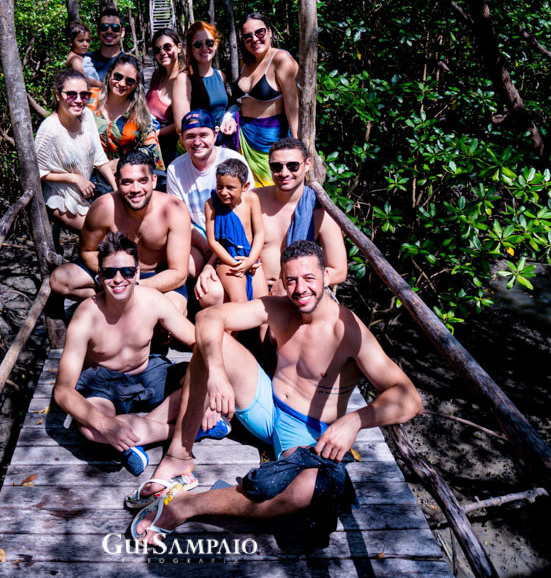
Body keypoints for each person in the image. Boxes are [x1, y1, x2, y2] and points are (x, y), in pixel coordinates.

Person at [130, 240, 422, 547]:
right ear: (282, 280)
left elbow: (409, 398)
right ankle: (178, 458)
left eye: (309, 278)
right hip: (267, 406)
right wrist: (217, 373)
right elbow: (208, 318)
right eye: (291, 280)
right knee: (210, 343)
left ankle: (184, 506)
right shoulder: (281, 308)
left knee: (308, 491)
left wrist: (354, 421)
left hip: (307, 435)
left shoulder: (348, 330)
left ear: (326, 276)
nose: (300, 289)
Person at [53, 233, 197, 478]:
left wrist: (216, 379)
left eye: (127, 271)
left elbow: (199, 342)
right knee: (90, 428)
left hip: (149, 373)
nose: (118, 279)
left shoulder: (153, 300)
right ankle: (183, 431)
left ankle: (134, 439)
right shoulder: (86, 316)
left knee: (202, 381)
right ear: (100, 277)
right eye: (109, 273)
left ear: (138, 274)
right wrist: (104, 423)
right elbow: (63, 390)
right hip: (103, 383)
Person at [49, 150, 191, 317]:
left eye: (142, 181)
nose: (135, 189)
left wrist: (134, 285)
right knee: (59, 280)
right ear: (116, 182)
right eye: (127, 182)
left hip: (156, 276)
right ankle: (110, 300)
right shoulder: (104, 207)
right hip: (113, 272)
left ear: (153, 181)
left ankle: (125, 305)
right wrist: (112, 277)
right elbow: (87, 251)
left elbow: (178, 273)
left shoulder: (174, 210)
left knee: (175, 311)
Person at [165, 110, 250, 302]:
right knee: (187, 265)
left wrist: (216, 254)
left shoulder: (233, 160)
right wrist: (207, 249)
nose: (197, 142)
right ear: (181, 138)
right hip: (199, 239)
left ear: (215, 133)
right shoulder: (175, 169)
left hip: (232, 236)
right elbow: (180, 220)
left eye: (203, 134)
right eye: (190, 136)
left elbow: (246, 210)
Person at [254, 137, 348, 294]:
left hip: (297, 294)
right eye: (276, 166)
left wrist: (294, 283)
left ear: (307, 164)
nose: (284, 173)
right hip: (253, 287)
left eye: (293, 166)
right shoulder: (253, 200)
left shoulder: (320, 211)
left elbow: (339, 271)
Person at [34, 69, 117, 232]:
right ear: (58, 95)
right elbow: (36, 172)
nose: (78, 100)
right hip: (62, 197)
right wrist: (73, 178)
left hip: (88, 190)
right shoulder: (49, 130)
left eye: (84, 95)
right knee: (103, 236)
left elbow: (99, 157)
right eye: (71, 95)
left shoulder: (86, 115)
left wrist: (116, 188)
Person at [227, 13, 301, 187]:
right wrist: (229, 117)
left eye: (259, 32)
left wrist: (296, 143)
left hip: (270, 141)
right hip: (243, 139)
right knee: (246, 191)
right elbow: (239, 102)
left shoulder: (281, 60)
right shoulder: (246, 63)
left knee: (274, 191)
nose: (254, 39)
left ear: (269, 32)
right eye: (248, 36)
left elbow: (292, 105)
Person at [204, 159, 266, 303]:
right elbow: (212, 241)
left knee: (264, 303)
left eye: (230, 188)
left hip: (250, 258)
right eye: (220, 186)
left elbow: (260, 233)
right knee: (239, 301)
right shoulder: (211, 204)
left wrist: (251, 260)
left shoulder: (251, 199)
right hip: (227, 260)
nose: (223, 192)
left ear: (245, 186)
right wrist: (235, 264)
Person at [94, 53, 163, 173]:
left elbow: (151, 149)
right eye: (117, 76)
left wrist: (122, 162)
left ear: (136, 85)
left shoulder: (139, 111)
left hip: (125, 173)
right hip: (89, 172)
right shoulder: (88, 100)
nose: (122, 83)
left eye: (129, 81)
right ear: (109, 74)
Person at [172, 21, 237, 143]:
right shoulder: (184, 79)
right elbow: (181, 126)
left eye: (209, 43)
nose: (204, 48)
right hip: (198, 146)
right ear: (191, 48)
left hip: (223, 144)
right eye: (197, 44)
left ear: (216, 44)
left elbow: (223, 111)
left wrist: (231, 120)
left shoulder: (221, 76)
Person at [145, 27, 185, 168]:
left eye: (167, 47)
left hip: (171, 147)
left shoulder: (185, 78)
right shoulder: (157, 75)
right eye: (157, 50)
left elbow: (183, 121)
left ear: (179, 48)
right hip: (151, 142)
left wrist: (156, 133)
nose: (162, 52)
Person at [63, 21, 104, 107]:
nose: (85, 44)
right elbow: (83, 80)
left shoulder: (81, 56)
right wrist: (102, 85)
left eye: (87, 41)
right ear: (70, 42)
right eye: (81, 41)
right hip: (86, 97)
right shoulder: (75, 59)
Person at [86, 7, 125, 83]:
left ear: (122, 32)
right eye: (104, 27)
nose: (109, 31)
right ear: (97, 31)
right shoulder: (84, 61)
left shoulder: (130, 64)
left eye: (115, 27)